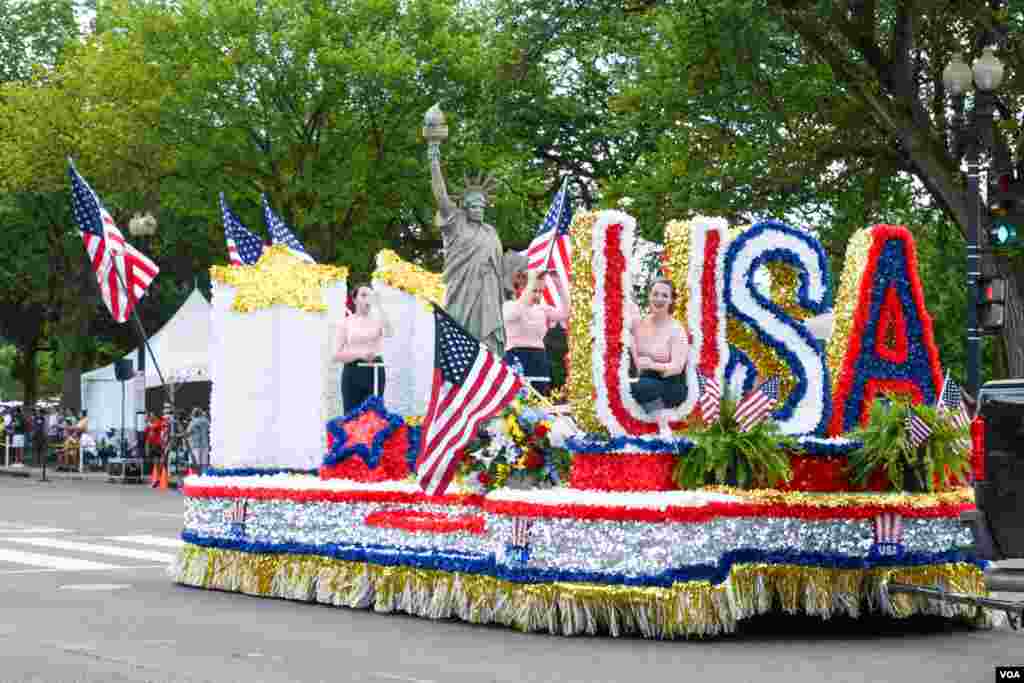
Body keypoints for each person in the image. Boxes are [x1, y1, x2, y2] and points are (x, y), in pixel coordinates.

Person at [427, 122, 506, 357]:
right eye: (473, 205)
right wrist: (433, 155)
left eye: (482, 206)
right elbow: (440, 195)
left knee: (489, 345)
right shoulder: (456, 223)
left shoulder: (491, 231)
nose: (478, 209)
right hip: (462, 290)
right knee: (461, 337)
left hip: (489, 292)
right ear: (464, 206)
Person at [630, 278, 690, 438]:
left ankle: (663, 427)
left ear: (671, 300)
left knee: (642, 386)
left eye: (664, 295)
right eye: (655, 294)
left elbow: (677, 367)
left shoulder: (676, 329)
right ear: (649, 296)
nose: (659, 299)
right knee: (632, 385)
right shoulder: (640, 323)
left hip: (672, 383)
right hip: (647, 379)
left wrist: (653, 364)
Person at [502, 269, 568, 396]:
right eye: (534, 290)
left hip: (539, 359)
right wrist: (531, 281)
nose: (537, 295)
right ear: (521, 289)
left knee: (540, 399)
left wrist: (558, 284)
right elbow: (517, 311)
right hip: (517, 358)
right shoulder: (509, 306)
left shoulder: (542, 309)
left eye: (540, 291)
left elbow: (565, 313)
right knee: (518, 402)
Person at [334, 285, 394, 414]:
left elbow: (389, 332)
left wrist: (380, 306)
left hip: (374, 371)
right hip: (352, 372)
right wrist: (359, 354)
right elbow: (337, 355)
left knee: (374, 416)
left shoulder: (378, 320)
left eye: (370, 295)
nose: (367, 299)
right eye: (363, 295)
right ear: (354, 300)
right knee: (351, 417)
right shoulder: (346, 322)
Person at [186, 408, 210, 475]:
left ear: (194, 414)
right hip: (205, 444)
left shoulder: (193, 422)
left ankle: (194, 477)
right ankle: (204, 476)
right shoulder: (206, 421)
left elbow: (188, 432)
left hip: (195, 445)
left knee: (195, 462)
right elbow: (209, 431)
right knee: (204, 462)